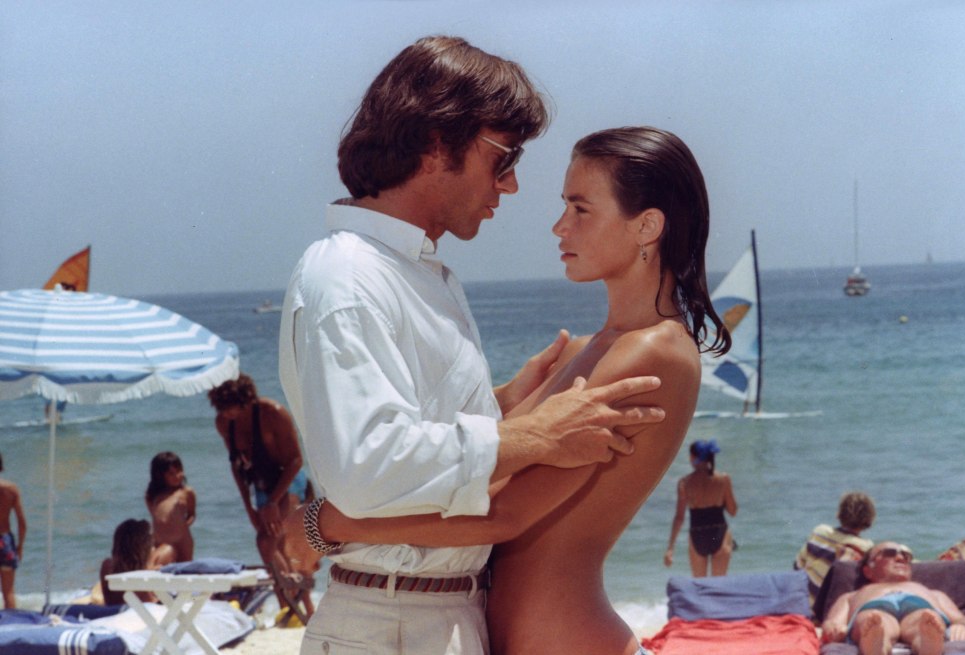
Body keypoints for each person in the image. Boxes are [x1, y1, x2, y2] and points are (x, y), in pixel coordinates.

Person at [285, 125, 729, 654]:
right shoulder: (581, 351)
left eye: (581, 209)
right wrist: (498, 404)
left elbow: (500, 511)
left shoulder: (654, 353)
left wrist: (327, 523)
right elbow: (483, 466)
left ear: (647, 226)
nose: (559, 226)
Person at [207, 373, 312, 615]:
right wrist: (249, 508)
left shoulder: (273, 413)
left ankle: (289, 606)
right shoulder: (224, 423)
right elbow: (237, 467)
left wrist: (273, 502)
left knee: (266, 542)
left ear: (247, 400)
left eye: (232, 408)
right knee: (279, 549)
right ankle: (301, 609)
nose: (228, 414)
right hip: (262, 486)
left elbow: (296, 460)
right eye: (223, 409)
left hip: (289, 481)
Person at [821, 541, 965, 655]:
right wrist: (834, 629)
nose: (900, 557)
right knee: (874, 620)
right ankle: (877, 645)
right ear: (868, 570)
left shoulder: (933, 593)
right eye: (889, 553)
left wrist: (963, 626)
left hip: (921, 607)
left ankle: (927, 644)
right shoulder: (851, 596)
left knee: (924, 619)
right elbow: (832, 622)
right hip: (872, 607)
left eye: (906, 556)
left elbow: (962, 619)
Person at [664, 439, 738, 577]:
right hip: (719, 533)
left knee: (699, 585)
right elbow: (733, 511)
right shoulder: (723, 479)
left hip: (697, 535)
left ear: (693, 457)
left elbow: (679, 518)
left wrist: (670, 548)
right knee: (719, 585)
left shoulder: (684, 483)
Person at [795, 490, 876, 607]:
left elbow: (798, 566)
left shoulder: (820, 532)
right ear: (869, 518)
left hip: (804, 602)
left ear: (839, 513)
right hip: (831, 609)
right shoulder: (866, 548)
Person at [99, 518, 173, 605]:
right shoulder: (148, 572)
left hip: (115, 611)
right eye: (151, 542)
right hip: (140, 611)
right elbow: (148, 601)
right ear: (144, 546)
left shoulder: (108, 566)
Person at [145, 451, 197, 562]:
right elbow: (156, 516)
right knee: (157, 568)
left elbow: (192, 514)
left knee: (184, 569)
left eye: (179, 471)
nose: (177, 476)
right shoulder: (152, 495)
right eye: (171, 474)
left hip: (182, 541)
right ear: (160, 475)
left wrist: (183, 525)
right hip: (159, 541)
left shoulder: (186, 492)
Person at [0, 452, 27, 609]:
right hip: (5, 542)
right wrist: (20, 546)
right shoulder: (11, 489)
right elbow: (22, 523)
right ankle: (11, 621)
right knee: (8, 591)